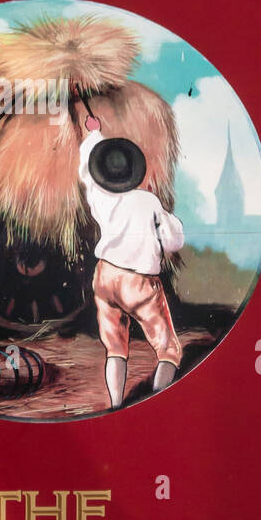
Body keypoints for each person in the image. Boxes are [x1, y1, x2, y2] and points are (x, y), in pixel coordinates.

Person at [78, 110, 185, 409]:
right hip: (139, 283)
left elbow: (86, 172)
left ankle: (115, 405)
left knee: (115, 347)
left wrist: (93, 134)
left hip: (105, 277)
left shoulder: (99, 197)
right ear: (133, 171)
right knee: (169, 350)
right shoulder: (148, 200)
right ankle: (155, 403)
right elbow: (174, 241)